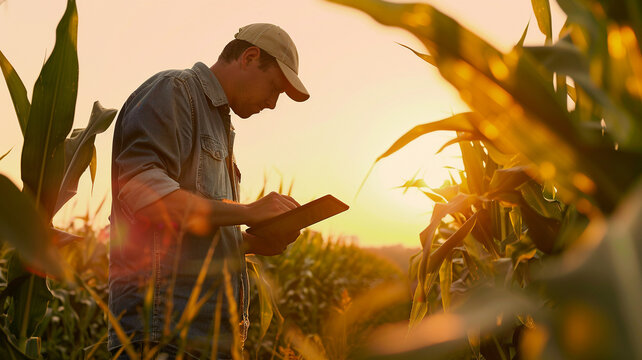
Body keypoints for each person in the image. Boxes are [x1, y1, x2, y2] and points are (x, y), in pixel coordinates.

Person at [108, 23, 309, 359]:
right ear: (249, 57)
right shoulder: (174, 91)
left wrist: (249, 243)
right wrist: (248, 211)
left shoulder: (219, 124)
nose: (273, 104)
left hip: (206, 339)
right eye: (274, 88)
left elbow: (187, 230)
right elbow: (143, 196)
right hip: (165, 334)